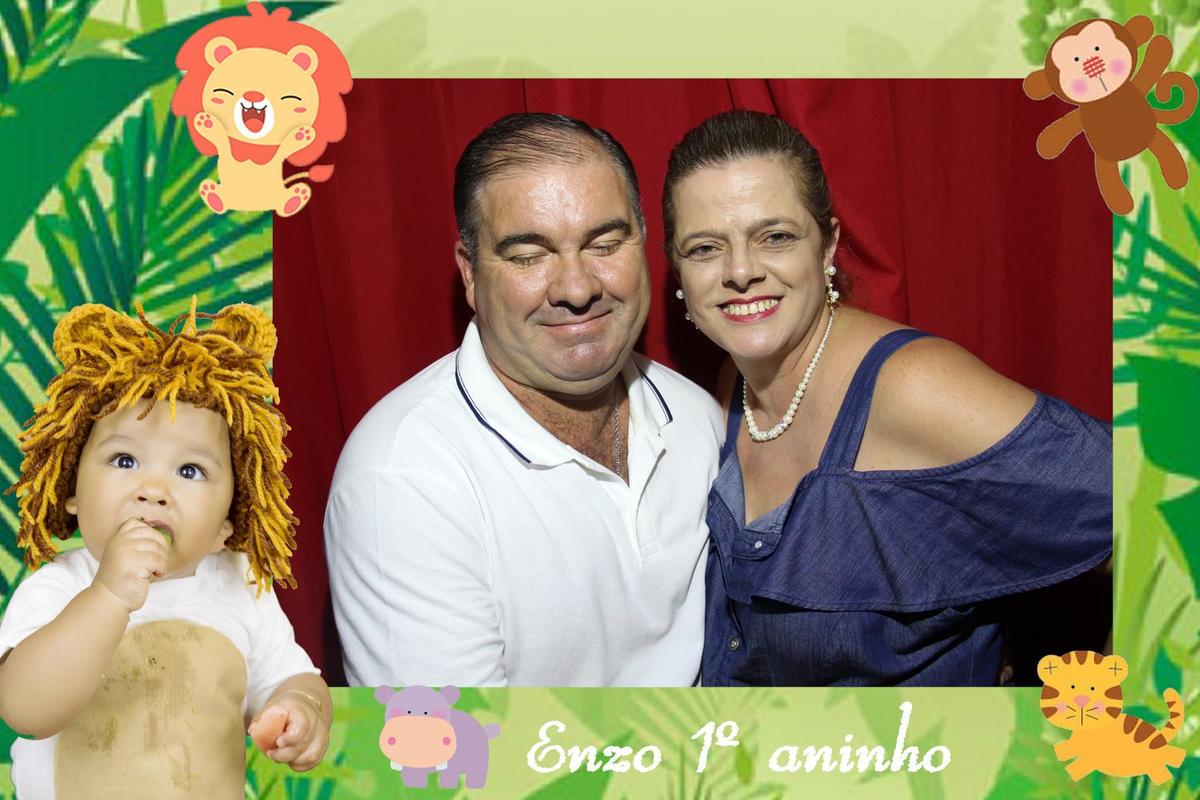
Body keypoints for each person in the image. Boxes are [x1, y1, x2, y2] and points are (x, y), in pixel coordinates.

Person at [662, 110, 1112, 686]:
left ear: (828, 246)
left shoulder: (911, 386)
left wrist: (1113, 719)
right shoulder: (733, 382)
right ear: (678, 267)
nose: (741, 271)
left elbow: (1167, 513)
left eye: (775, 237)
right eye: (704, 248)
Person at [325, 113, 724, 687]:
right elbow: (448, 743)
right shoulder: (403, 478)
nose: (577, 288)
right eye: (529, 256)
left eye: (605, 244)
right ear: (470, 274)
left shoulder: (698, 417)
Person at [0, 301, 331, 798]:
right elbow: (25, 710)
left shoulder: (241, 589)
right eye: (124, 459)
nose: (154, 490)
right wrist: (108, 596)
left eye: (190, 471)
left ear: (227, 522)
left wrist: (301, 709)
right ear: (72, 490)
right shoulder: (59, 588)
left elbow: (294, 678)